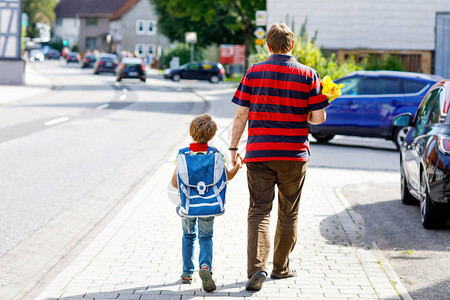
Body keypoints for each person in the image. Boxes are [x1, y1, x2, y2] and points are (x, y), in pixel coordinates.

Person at [229, 23, 329, 291]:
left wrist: (233, 148)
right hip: (293, 156)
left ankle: (256, 270)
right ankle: (280, 268)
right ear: (292, 45)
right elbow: (318, 119)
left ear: (268, 45)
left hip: (259, 154)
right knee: (289, 213)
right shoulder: (309, 75)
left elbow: (241, 115)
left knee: (259, 211)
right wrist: (316, 104)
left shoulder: (254, 72)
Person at [171, 113, 242, 292]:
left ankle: (187, 273)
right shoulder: (216, 154)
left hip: (188, 205)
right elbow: (227, 177)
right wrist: (238, 166)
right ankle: (205, 267)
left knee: (188, 236)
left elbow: (174, 183)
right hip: (209, 205)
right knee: (206, 237)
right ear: (212, 136)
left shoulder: (183, 154)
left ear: (190, 132)